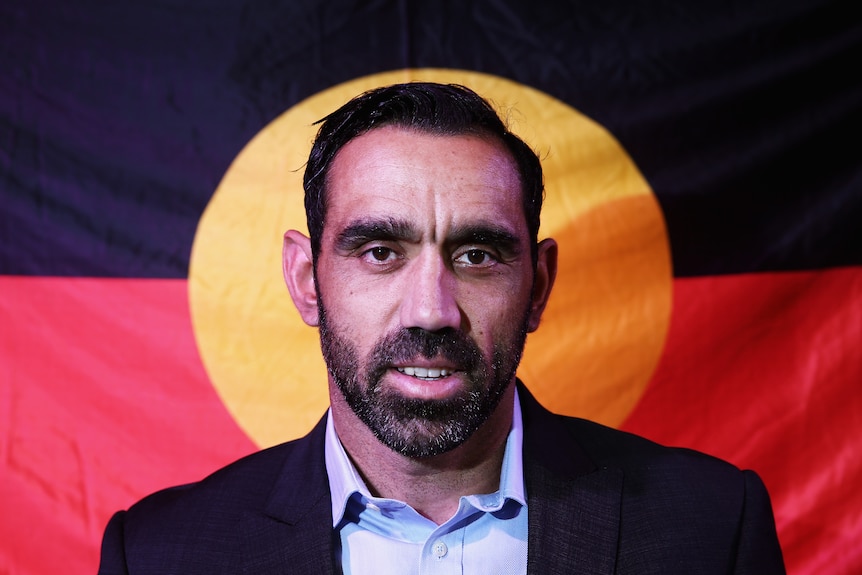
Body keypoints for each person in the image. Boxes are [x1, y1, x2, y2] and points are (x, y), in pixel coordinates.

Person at [98, 82, 786, 574]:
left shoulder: (711, 529)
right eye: (380, 252)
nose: (431, 310)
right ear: (308, 280)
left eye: (477, 255)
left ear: (538, 285)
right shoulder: (160, 553)